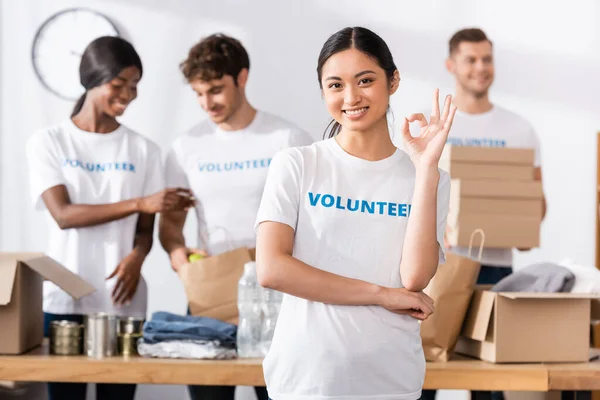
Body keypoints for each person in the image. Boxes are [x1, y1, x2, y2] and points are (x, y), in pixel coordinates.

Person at [254, 26, 454, 400]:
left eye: (365, 80)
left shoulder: (430, 179)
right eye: (335, 85)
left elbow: (414, 278)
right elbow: (272, 269)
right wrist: (379, 294)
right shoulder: (297, 164)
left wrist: (426, 167)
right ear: (323, 91)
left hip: (391, 378)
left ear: (393, 81)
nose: (351, 97)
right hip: (307, 377)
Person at [26, 36, 193, 400]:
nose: (128, 95)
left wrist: (137, 257)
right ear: (91, 79)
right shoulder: (50, 142)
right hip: (64, 300)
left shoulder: (144, 150)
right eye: (119, 85)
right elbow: (64, 215)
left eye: (134, 87)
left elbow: (145, 232)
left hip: (122, 300)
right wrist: (139, 202)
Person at [158, 33, 312, 400]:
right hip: (211, 291)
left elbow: (312, 222)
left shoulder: (287, 139)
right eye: (198, 94)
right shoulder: (185, 148)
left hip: (276, 292)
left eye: (215, 90)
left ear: (242, 78)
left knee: (282, 394)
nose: (206, 103)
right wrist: (180, 260)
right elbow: (171, 228)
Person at [419, 28, 547, 400]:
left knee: (489, 382)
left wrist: (524, 223)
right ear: (451, 65)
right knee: (425, 373)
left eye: (486, 59)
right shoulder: (434, 127)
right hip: (437, 267)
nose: (481, 67)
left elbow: (537, 200)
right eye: (471, 59)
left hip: (495, 270)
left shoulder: (519, 129)